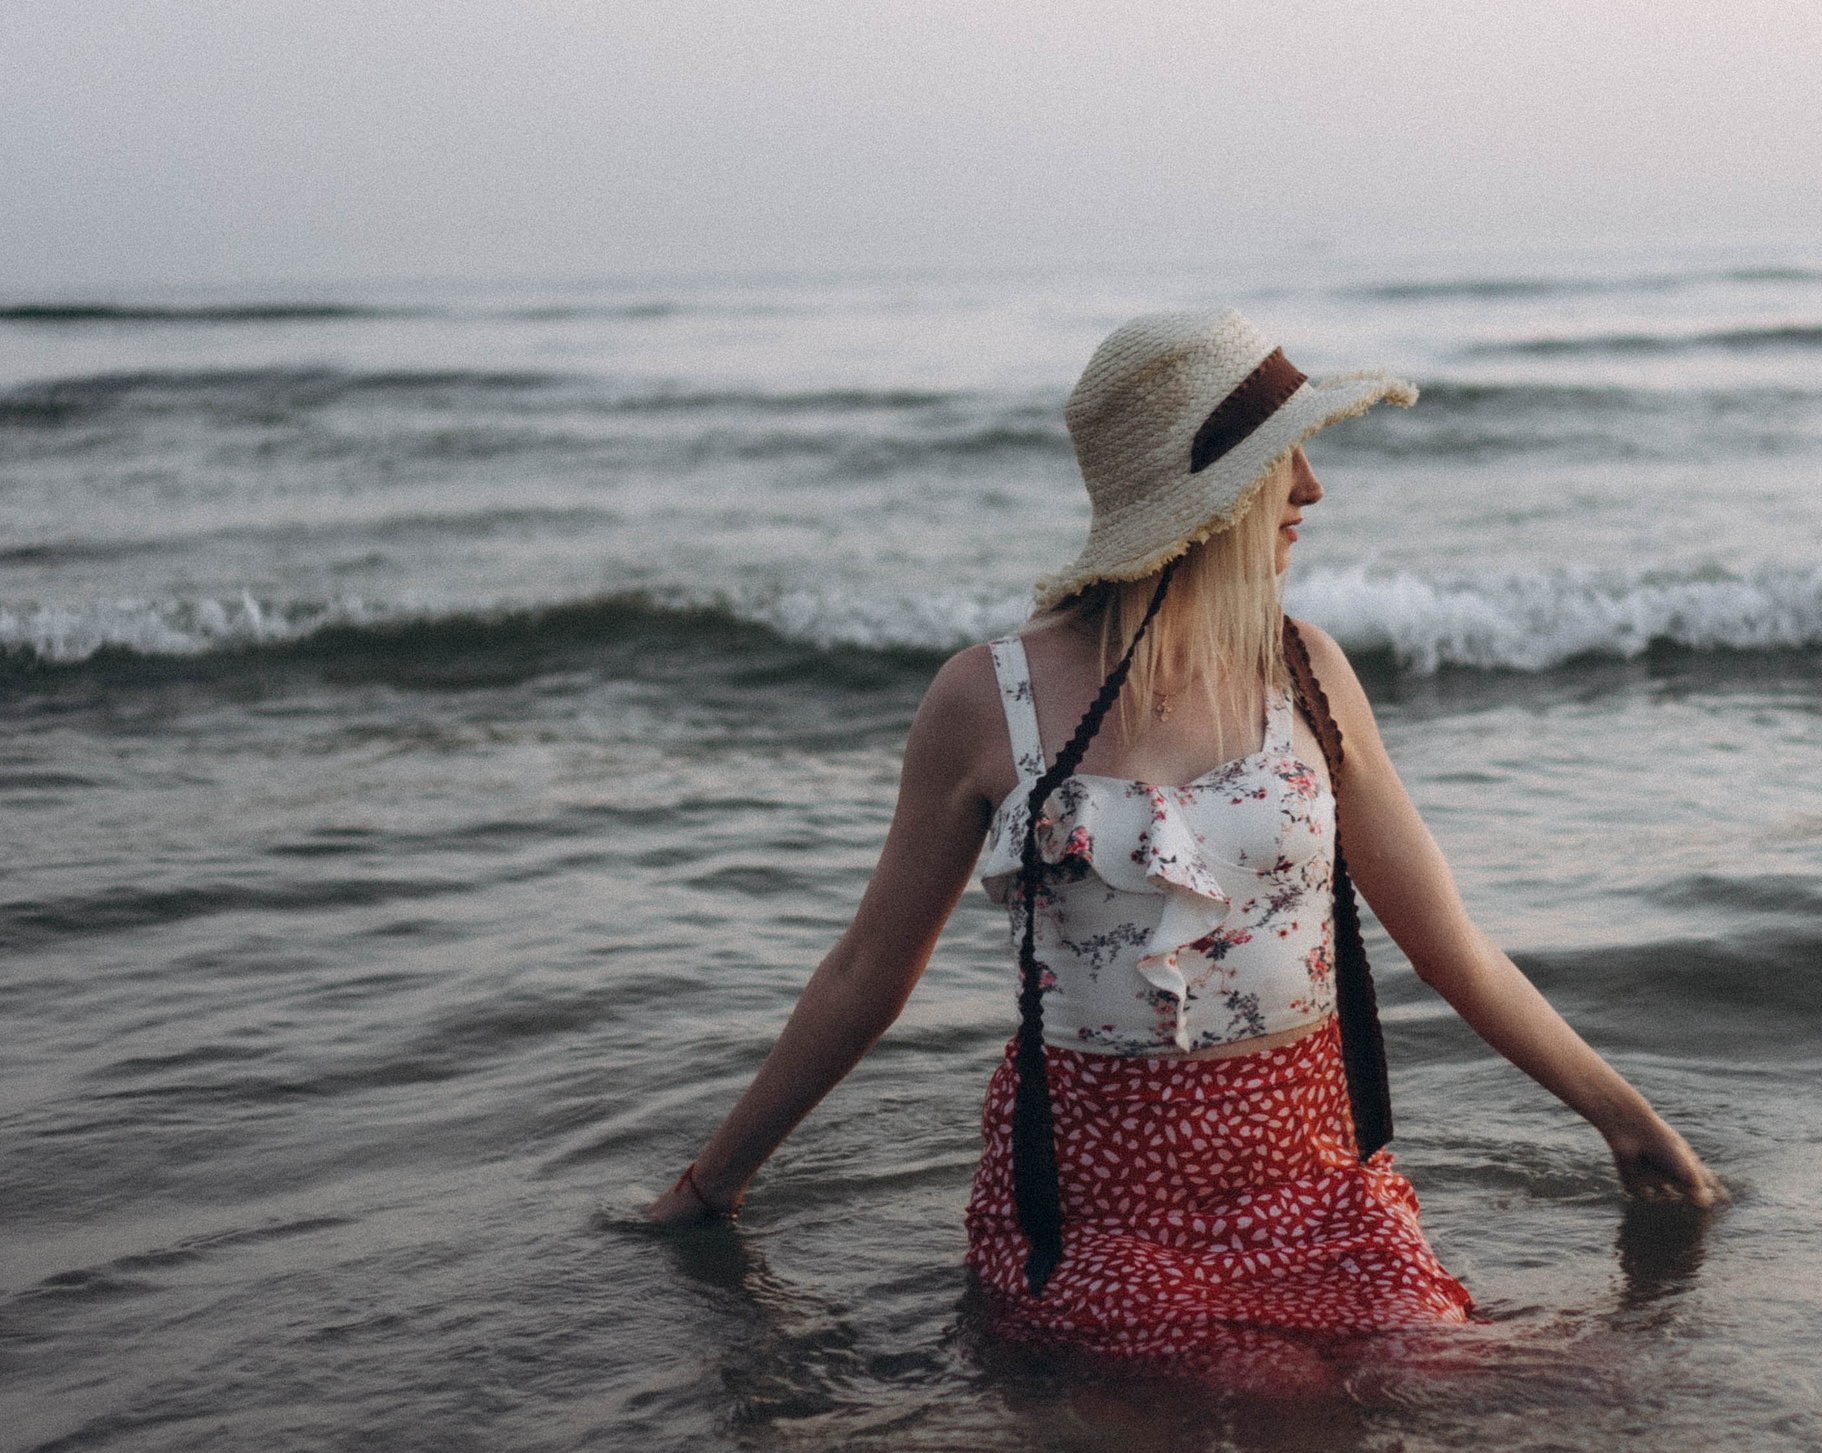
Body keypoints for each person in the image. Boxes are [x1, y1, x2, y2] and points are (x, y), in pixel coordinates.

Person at [649, 308, 1726, 1374]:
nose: (1311, 488)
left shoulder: (1306, 673)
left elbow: (1452, 946)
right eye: (1280, 459)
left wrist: (1625, 1121)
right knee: (1251, 1397)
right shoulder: (986, 700)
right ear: (1203, 500)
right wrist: (713, 1184)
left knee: (1492, 1382)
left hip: (1316, 1186)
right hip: (1096, 1210)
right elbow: (866, 973)